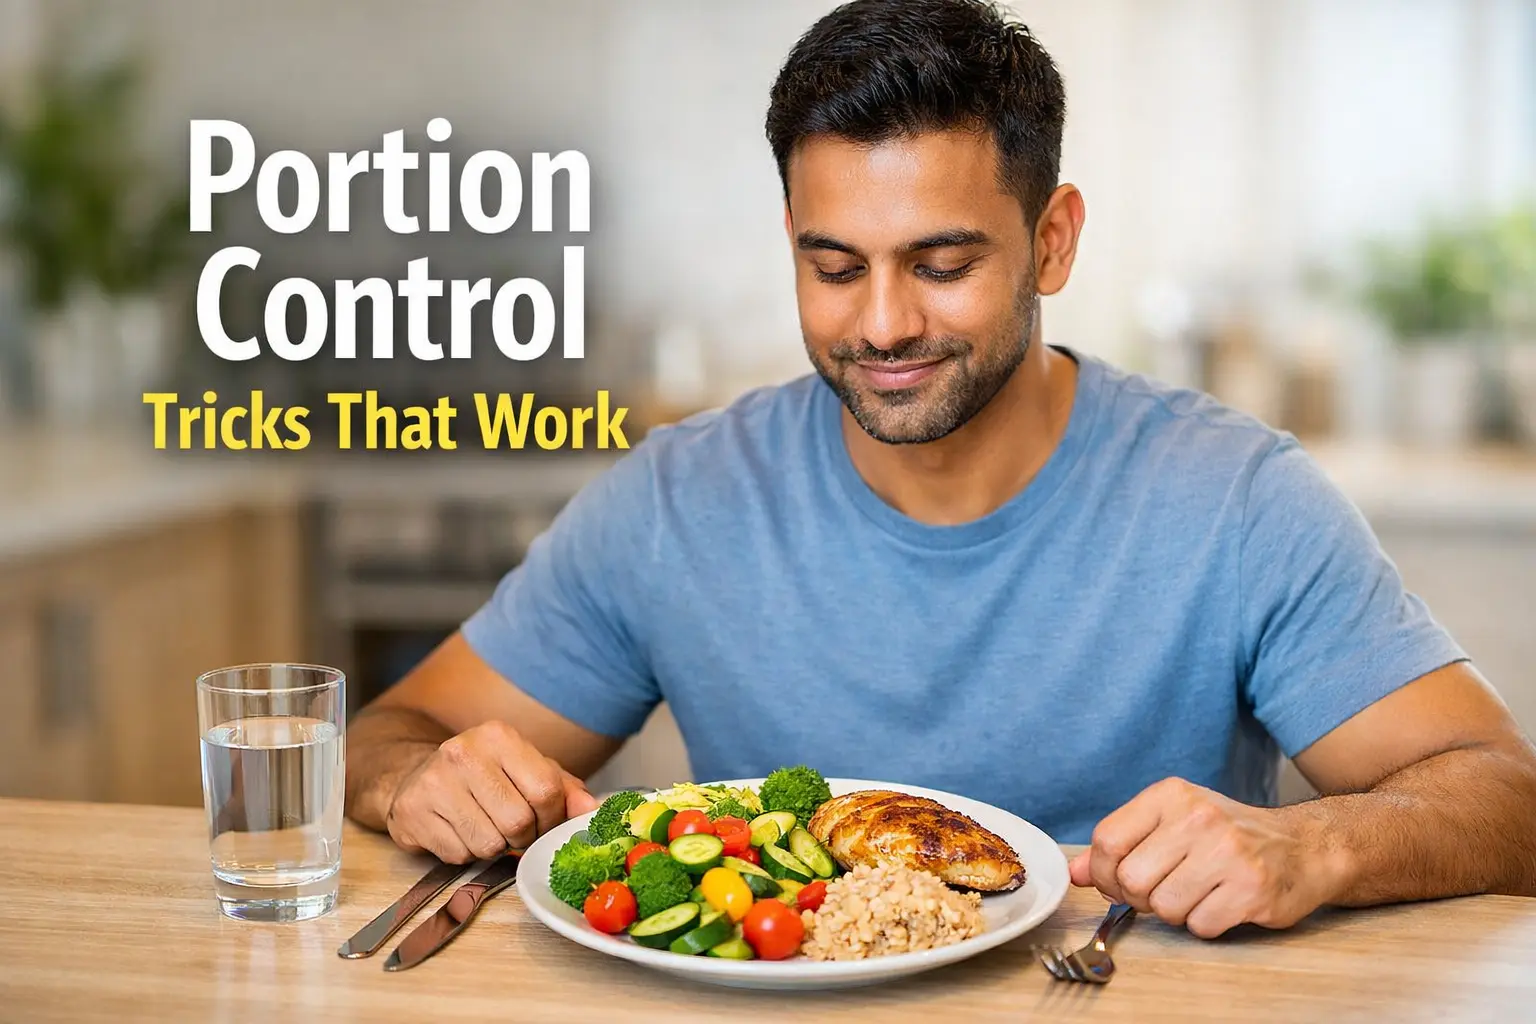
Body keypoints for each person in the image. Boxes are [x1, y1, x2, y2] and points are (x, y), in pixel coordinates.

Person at [345, 0, 1536, 938]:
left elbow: (1506, 795)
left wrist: (1317, 846)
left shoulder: (1234, 499)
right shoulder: (680, 499)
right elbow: (397, 727)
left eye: (942, 261)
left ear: (1052, 240)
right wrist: (415, 782)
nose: (882, 323)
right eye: (835, 264)